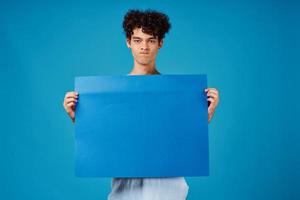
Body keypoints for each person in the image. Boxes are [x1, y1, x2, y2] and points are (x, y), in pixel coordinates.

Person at [63, 9, 220, 200]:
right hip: (125, 191)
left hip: (169, 191)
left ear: (160, 43)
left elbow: (181, 138)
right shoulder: (109, 94)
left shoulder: (180, 94)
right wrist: (79, 118)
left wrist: (203, 117)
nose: (144, 46)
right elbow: (104, 138)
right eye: (137, 40)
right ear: (128, 42)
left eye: (151, 40)